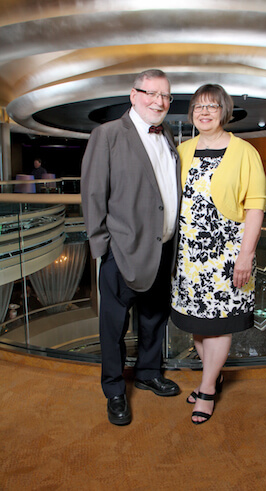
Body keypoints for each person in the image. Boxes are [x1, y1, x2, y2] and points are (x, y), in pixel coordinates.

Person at [81, 69, 181, 426]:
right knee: (113, 326)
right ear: (133, 95)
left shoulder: (167, 134)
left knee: (155, 316)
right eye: (151, 93)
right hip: (120, 252)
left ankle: (148, 372)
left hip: (163, 247)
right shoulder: (106, 135)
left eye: (166, 96)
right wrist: (102, 251)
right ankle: (114, 390)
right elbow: (93, 195)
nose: (159, 102)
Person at [171, 84, 266, 425]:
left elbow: (255, 206)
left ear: (224, 112)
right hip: (188, 256)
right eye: (199, 106)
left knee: (219, 324)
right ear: (192, 113)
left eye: (212, 106)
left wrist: (246, 256)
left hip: (227, 255)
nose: (205, 112)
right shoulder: (182, 151)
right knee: (197, 327)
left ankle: (208, 388)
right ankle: (215, 375)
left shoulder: (244, 152)